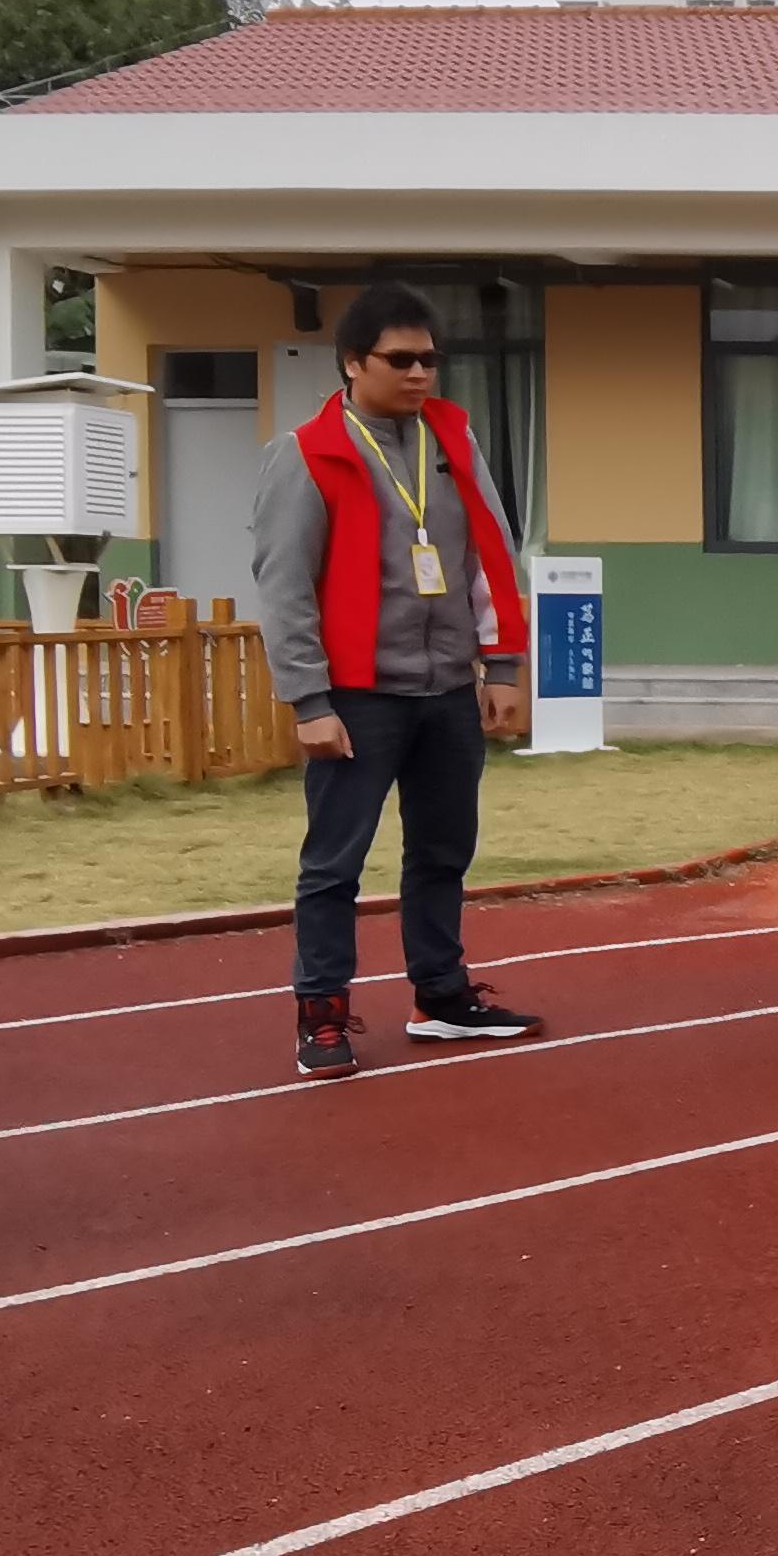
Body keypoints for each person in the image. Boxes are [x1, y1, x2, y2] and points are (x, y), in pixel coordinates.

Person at [255, 280, 547, 1079]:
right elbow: (283, 587)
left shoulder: (454, 443)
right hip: (356, 697)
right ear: (354, 362)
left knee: (444, 851)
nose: (421, 375)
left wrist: (504, 665)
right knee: (334, 863)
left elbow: (489, 555)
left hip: (448, 690)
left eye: (430, 360)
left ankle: (442, 998)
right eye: (401, 360)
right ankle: (320, 1013)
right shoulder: (306, 454)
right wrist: (308, 701)